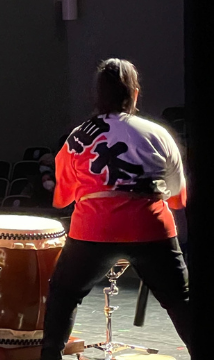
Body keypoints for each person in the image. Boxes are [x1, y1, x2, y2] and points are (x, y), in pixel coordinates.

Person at [41, 59, 191, 359]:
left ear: (97, 96)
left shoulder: (78, 137)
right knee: (182, 302)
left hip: (94, 230)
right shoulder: (158, 134)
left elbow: (61, 199)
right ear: (135, 93)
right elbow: (177, 198)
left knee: (64, 295)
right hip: (150, 227)